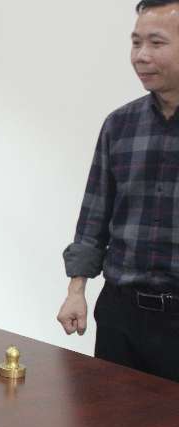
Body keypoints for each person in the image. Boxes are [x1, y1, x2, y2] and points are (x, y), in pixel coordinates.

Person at [58, 0, 179, 380]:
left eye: (156, 43)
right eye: (136, 42)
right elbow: (94, 216)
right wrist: (76, 291)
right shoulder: (120, 125)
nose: (141, 56)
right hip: (121, 316)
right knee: (112, 415)